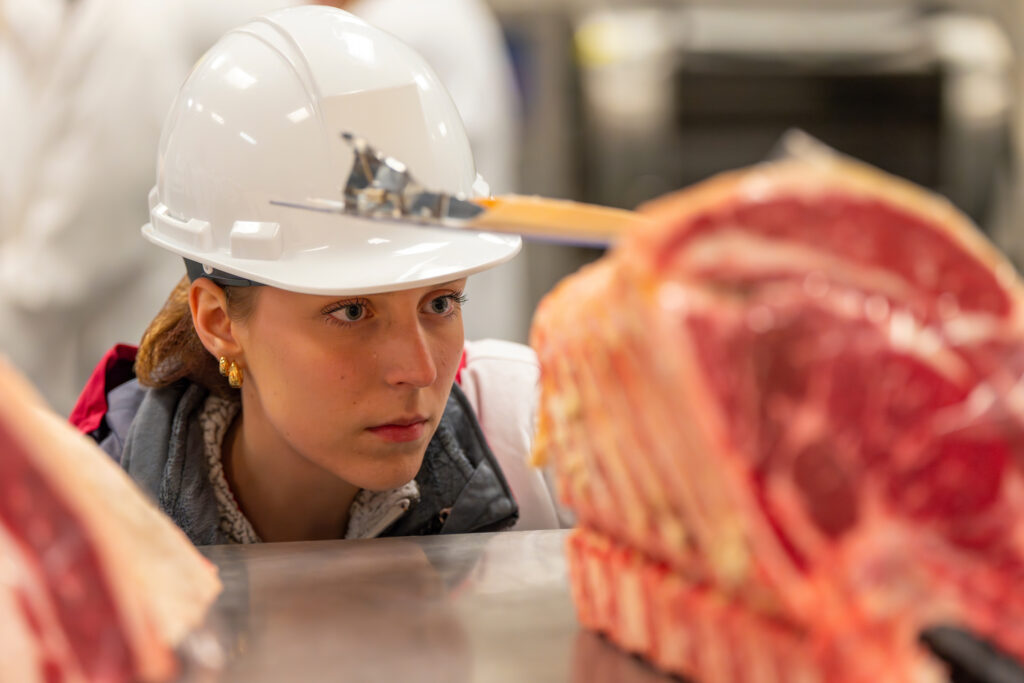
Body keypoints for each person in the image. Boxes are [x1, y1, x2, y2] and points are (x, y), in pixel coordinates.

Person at [69, 6, 568, 545]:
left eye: (441, 303)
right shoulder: (93, 521)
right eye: (351, 311)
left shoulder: (535, 432)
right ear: (219, 322)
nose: (419, 371)